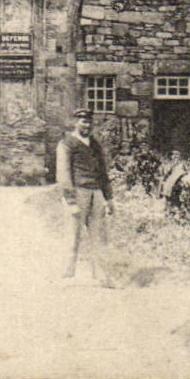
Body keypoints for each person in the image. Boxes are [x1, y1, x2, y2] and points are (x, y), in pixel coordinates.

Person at [56, 108, 114, 283]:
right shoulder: (67, 144)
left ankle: (101, 276)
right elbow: (64, 174)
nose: (87, 125)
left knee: (99, 237)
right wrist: (71, 201)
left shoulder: (95, 145)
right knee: (73, 236)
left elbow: (103, 172)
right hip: (78, 192)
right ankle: (67, 275)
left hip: (96, 193)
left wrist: (109, 198)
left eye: (89, 122)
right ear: (76, 123)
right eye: (83, 122)